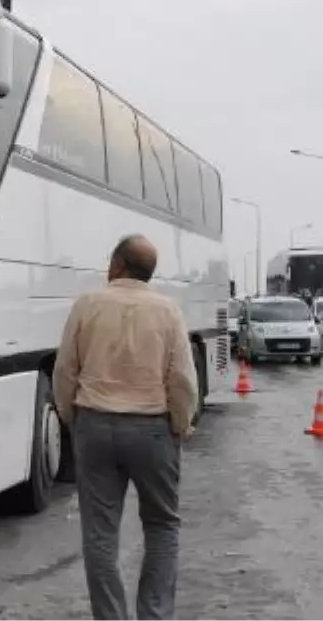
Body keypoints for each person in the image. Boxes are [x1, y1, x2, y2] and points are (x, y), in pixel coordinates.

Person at [52, 235, 198, 621]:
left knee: (100, 535)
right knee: (162, 526)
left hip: (94, 425)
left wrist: (73, 419)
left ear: (117, 264)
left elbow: (65, 371)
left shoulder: (87, 305)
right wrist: (180, 425)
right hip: (153, 430)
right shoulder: (168, 311)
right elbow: (182, 379)